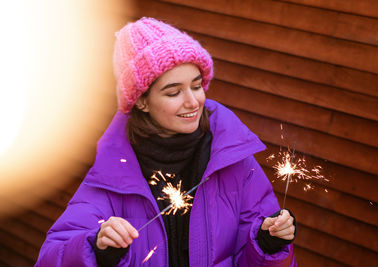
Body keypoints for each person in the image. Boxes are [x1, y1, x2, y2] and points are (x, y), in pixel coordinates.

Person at [35, 17, 297, 267]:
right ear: (141, 101)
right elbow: (51, 257)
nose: (193, 101)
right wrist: (96, 249)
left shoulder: (235, 161)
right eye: (174, 92)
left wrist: (268, 242)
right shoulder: (113, 176)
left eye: (196, 86)